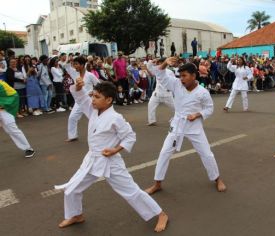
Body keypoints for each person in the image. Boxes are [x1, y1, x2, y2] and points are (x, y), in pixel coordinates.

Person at [55, 81, 168, 232]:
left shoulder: (116, 118)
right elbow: (81, 98)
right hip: (92, 159)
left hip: (110, 161)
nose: (93, 100)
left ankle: (161, 214)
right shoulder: (92, 110)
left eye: (97, 97)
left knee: (131, 191)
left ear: (108, 100)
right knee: (72, 188)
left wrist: (116, 150)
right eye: (93, 96)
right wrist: (79, 87)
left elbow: (129, 136)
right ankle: (76, 215)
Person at [145, 57, 226, 195]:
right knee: (164, 153)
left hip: (194, 127)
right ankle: (157, 183)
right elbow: (159, 74)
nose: (181, 79)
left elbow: (209, 109)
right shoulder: (176, 84)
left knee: (207, 154)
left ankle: (217, 179)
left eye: (184, 76)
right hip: (177, 124)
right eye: (180, 76)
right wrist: (165, 63)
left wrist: (197, 114)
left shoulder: (203, 92)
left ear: (194, 76)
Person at [66, 56, 100, 142]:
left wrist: (94, 92)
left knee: (94, 118)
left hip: (89, 101)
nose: (75, 66)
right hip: (79, 101)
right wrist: (69, 60)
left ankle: (101, 134)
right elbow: (67, 67)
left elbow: (99, 85)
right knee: (72, 117)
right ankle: (72, 136)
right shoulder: (75, 74)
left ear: (82, 65)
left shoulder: (90, 75)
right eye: (74, 64)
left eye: (76, 64)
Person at [0, 80, 35, 158]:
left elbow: (14, 95)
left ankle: (28, 148)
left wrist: (4, 104)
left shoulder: (1, 85)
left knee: (12, 130)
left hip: (5, 110)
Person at [146, 58, 175, 126]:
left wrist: (172, 91)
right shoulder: (157, 69)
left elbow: (173, 82)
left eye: (161, 62)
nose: (159, 64)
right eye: (159, 63)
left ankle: (174, 120)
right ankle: (152, 121)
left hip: (167, 94)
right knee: (150, 105)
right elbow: (149, 67)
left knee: (176, 109)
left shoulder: (170, 72)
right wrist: (152, 61)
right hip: (157, 93)